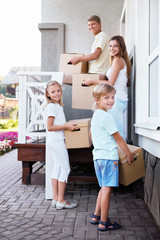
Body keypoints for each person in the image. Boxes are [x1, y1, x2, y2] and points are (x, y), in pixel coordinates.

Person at [90, 83, 135, 231]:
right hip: (109, 157)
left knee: (103, 188)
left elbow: (91, 135)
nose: (111, 100)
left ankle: (96, 216)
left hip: (98, 157)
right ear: (97, 100)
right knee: (107, 189)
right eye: (106, 97)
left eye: (112, 97)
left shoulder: (96, 115)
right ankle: (104, 222)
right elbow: (118, 138)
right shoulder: (107, 117)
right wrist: (129, 154)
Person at [83, 35, 131, 141]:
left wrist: (92, 81)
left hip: (116, 100)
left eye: (115, 46)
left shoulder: (118, 61)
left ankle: (124, 156)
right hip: (118, 100)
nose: (112, 49)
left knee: (117, 132)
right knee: (113, 132)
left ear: (121, 48)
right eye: (110, 46)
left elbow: (110, 83)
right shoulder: (117, 61)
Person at [45, 80, 78, 209]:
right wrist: (66, 126)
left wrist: (66, 126)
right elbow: (50, 127)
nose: (56, 93)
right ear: (48, 94)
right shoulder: (52, 106)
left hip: (55, 141)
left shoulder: (58, 106)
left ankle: (55, 199)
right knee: (65, 169)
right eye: (53, 92)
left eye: (58, 91)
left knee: (57, 168)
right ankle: (61, 200)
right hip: (56, 141)